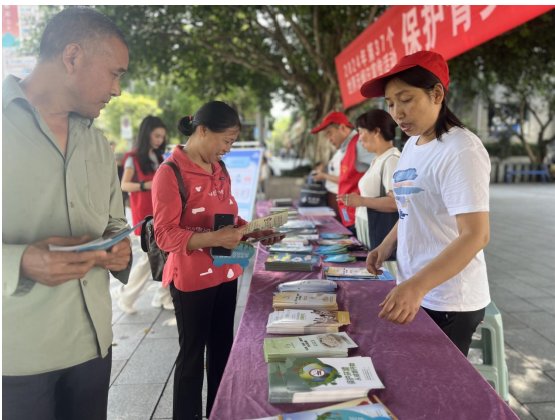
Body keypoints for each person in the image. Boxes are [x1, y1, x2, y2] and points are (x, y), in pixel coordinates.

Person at [2, 7, 132, 420]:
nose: (117, 90)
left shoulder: (97, 144)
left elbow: (113, 221)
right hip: (17, 358)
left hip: (93, 346)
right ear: (73, 56)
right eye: (114, 74)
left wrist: (119, 248)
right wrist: (20, 261)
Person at [151, 101, 281, 420]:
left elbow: (227, 219)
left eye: (233, 142)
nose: (228, 149)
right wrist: (214, 239)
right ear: (203, 130)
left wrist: (254, 231)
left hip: (225, 271)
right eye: (226, 140)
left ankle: (219, 412)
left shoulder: (219, 169)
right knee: (192, 357)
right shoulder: (170, 172)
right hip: (191, 279)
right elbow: (165, 235)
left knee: (223, 350)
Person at [360, 50, 491, 356]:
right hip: (417, 287)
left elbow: (476, 235)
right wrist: (385, 246)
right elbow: (410, 209)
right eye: (390, 104)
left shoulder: (460, 149)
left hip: (449, 298)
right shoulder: (412, 145)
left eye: (406, 99)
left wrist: (417, 286)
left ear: (437, 94)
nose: (397, 113)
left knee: (435, 380)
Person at [115, 115, 174, 313]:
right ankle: (127, 297)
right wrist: (145, 185)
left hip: (161, 213)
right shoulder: (132, 158)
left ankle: (162, 297)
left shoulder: (158, 156)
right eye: (156, 136)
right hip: (145, 216)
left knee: (167, 255)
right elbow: (124, 185)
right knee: (148, 260)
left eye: (162, 137)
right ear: (146, 134)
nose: (159, 140)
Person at [337, 109, 400, 249]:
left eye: (361, 132)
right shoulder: (378, 159)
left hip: (379, 232)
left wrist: (361, 201)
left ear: (376, 131)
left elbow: (397, 203)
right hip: (368, 228)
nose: (359, 139)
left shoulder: (391, 159)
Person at [311, 111, 374, 234]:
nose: (329, 139)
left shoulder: (359, 143)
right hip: (350, 215)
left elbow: (382, 165)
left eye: (329, 133)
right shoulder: (348, 146)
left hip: (360, 217)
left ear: (343, 128)